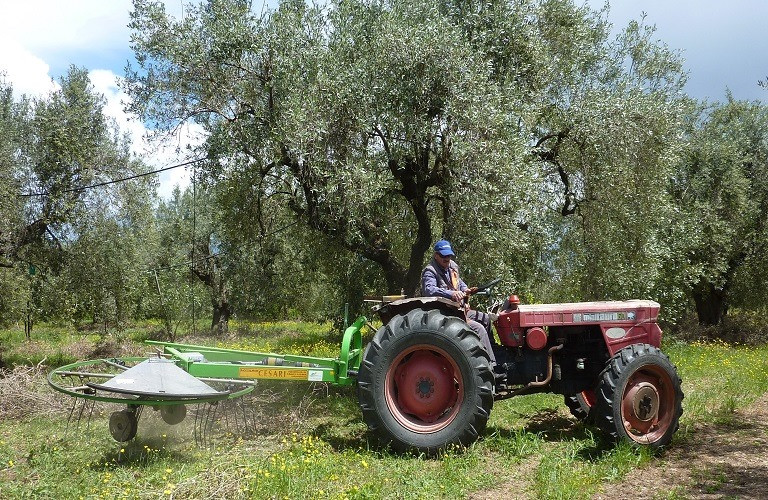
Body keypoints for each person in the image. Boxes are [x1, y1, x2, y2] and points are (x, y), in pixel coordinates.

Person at [421, 239, 496, 365]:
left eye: (449, 255)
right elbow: (429, 290)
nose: (447, 258)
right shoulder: (430, 271)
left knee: (485, 319)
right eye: (443, 256)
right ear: (436, 255)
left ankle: (495, 352)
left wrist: (465, 289)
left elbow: (459, 282)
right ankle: (491, 365)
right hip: (445, 313)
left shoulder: (452, 266)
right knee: (479, 329)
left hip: (458, 309)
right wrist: (451, 294)